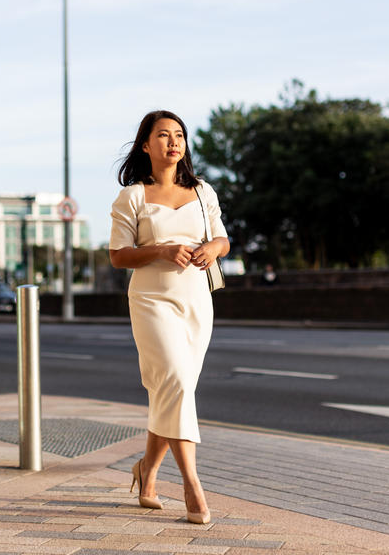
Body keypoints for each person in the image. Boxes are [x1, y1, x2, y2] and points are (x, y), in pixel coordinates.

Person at [109, 110, 229, 524]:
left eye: (179, 135)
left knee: (172, 392)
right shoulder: (132, 196)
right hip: (151, 301)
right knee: (176, 384)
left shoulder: (201, 192)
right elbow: (118, 255)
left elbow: (221, 239)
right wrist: (161, 250)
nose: (173, 142)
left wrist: (213, 249)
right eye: (163, 135)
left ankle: (146, 474)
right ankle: (193, 487)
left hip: (197, 301)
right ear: (146, 145)